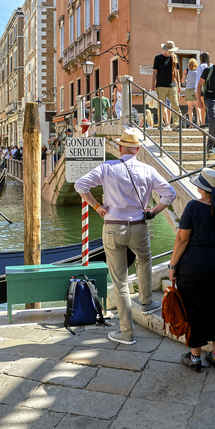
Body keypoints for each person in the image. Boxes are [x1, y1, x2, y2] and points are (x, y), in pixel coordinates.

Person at [74, 127, 176, 345]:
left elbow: (80, 185)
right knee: (144, 260)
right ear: (137, 149)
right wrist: (153, 212)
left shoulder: (107, 167)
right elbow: (170, 194)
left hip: (113, 227)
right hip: (139, 226)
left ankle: (127, 332)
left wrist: (97, 207)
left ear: (120, 148)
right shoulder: (148, 170)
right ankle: (147, 302)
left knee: (119, 280)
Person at [168, 167, 215, 372]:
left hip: (194, 267)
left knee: (194, 309)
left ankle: (195, 357)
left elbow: (182, 239)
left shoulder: (192, 207)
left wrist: (173, 265)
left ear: (200, 187)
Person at [151, 41, 182, 130]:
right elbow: (155, 72)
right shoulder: (158, 58)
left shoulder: (175, 57)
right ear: (165, 49)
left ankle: (176, 125)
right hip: (161, 85)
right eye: (169, 50)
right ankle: (160, 123)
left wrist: (179, 84)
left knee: (175, 104)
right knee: (161, 105)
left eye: (172, 50)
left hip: (172, 85)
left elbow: (177, 71)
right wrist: (153, 85)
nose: (171, 52)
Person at [195, 52, 211, 126]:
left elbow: (198, 78)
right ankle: (209, 122)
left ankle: (203, 122)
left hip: (201, 88)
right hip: (208, 88)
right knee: (208, 106)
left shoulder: (200, 66)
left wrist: (196, 89)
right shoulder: (208, 66)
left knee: (203, 107)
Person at [182, 58, 199, 125]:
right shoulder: (198, 70)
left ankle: (191, 123)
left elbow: (182, 81)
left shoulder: (186, 70)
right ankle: (199, 122)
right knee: (197, 106)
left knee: (190, 107)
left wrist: (186, 81)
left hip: (188, 89)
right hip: (196, 89)